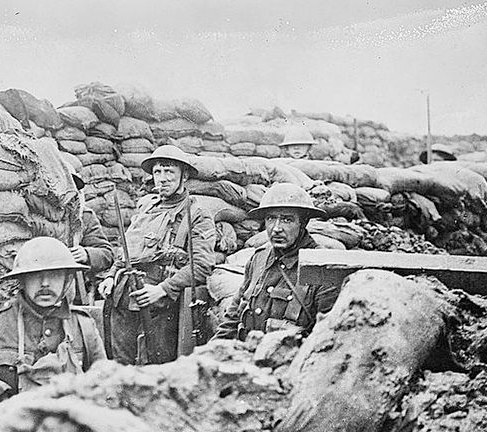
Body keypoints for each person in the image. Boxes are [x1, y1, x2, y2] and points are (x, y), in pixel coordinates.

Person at [0, 236, 107, 430]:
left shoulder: (83, 326)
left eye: (55, 274)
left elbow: (107, 386)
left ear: (68, 279)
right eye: (35, 275)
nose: (45, 284)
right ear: (22, 280)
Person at [98, 144, 216, 364]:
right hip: (123, 299)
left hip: (163, 307)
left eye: (169, 171)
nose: (162, 178)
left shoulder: (197, 214)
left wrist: (163, 289)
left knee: (157, 370)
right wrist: (110, 276)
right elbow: (127, 251)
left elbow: (201, 265)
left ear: (184, 175)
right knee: (120, 367)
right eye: (157, 172)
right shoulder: (145, 209)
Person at [214, 183, 338, 340]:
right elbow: (233, 316)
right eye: (271, 219)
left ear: (303, 223)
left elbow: (326, 335)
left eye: (287, 220)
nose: (276, 228)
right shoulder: (258, 258)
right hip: (246, 354)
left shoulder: (321, 266)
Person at [67, 170, 114, 295]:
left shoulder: (85, 217)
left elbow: (107, 254)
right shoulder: (38, 214)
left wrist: (87, 254)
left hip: (74, 290)